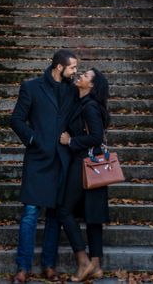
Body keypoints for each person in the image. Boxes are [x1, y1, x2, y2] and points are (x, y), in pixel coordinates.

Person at [9, 48, 79, 284]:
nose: (75, 71)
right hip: (38, 159)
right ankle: (23, 267)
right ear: (59, 67)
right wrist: (33, 139)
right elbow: (16, 120)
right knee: (30, 214)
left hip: (62, 160)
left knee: (54, 216)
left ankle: (49, 264)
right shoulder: (31, 87)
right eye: (72, 67)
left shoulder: (72, 90)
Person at [58, 68, 111, 282]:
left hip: (85, 162)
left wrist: (70, 141)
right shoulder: (82, 102)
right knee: (93, 215)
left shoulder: (90, 107)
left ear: (91, 85)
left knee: (64, 210)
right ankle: (96, 267)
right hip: (93, 163)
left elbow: (97, 136)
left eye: (86, 76)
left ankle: (83, 260)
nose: (80, 75)